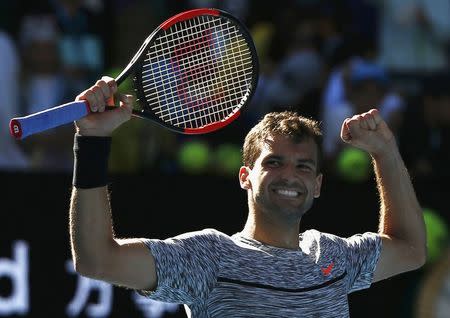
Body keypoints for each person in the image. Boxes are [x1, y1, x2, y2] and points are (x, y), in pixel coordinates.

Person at [70, 76, 426, 317]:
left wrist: (385, 151)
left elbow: (410, 249)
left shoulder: (333, 258)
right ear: (246, 177)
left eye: (303, 167)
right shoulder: (207, 258)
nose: (290, 175)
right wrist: (92, 140)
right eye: (274, 162)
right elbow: (98, 259)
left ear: (317, 185)